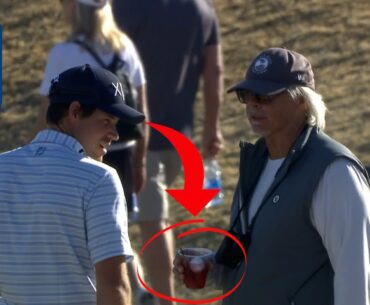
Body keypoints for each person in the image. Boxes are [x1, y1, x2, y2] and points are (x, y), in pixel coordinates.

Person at [174, 47, 370, 305]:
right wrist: (214, 267)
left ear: (301, 100)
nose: (253, 103)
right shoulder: (256, 163)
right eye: (246, 95)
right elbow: (263, 257)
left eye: (265, 96)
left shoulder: (334, 172)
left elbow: (354, 277)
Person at [36, 0, 151, 303]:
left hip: (76, 151)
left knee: (81, 233)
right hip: (124, 150)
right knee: (114, 233)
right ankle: (135, 290)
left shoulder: (65, 53)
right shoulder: (126, 47)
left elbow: (48, 113)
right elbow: (143, 110)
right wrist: (140, 163)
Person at [0, 64, 145, 305]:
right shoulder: (100, 179)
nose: (115, 134)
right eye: (107, 120)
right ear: (75, 111)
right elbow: (114, 287)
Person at [112, 1, 224, 303]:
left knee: (151, 222)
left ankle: (164, 299)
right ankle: (139, 282)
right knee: (127, 220)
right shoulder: (202, 10)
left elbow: (106, 61)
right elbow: (214, 70)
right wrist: (211, 127)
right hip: (179, 142)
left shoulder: (127, 7)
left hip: (136, 140)